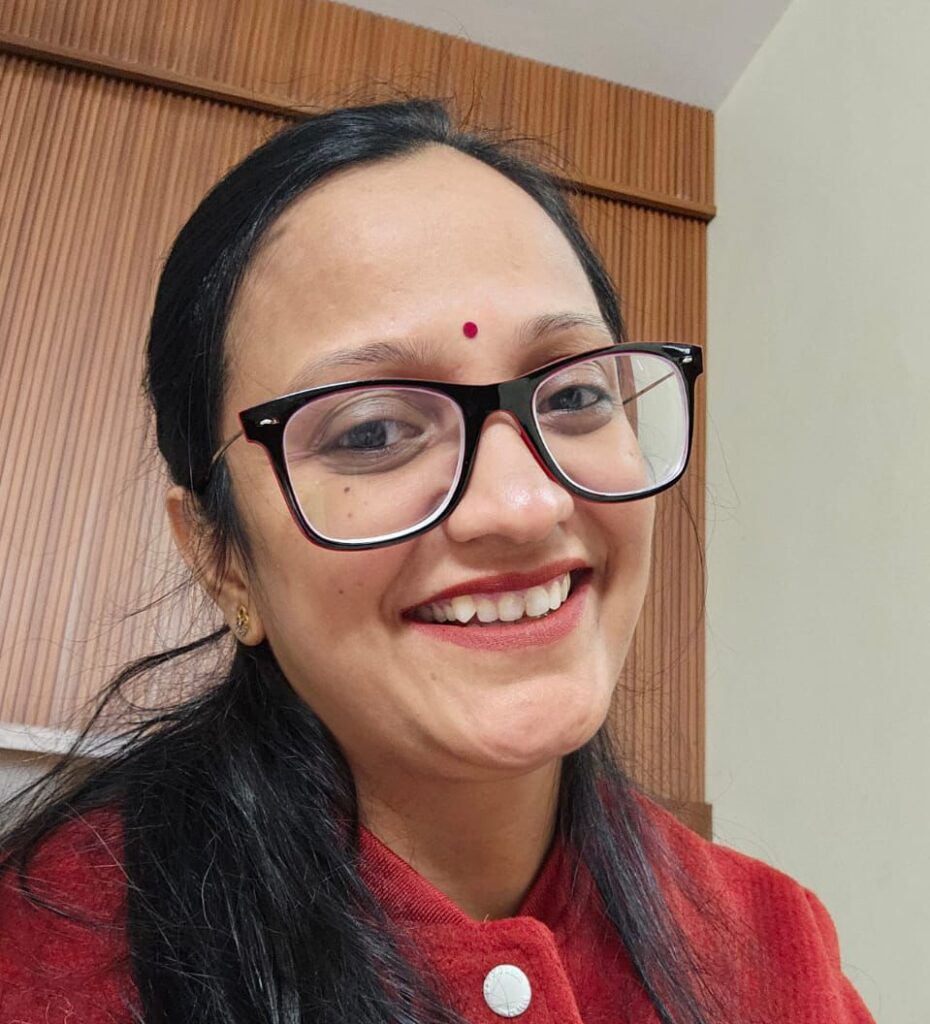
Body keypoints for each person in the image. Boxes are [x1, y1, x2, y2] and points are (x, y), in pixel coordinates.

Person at [0, 97, 874, 1024]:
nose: (525, 505)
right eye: (372, 431)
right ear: (223, 561)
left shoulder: (774, 946)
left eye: (574, 394)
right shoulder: (46, 963)